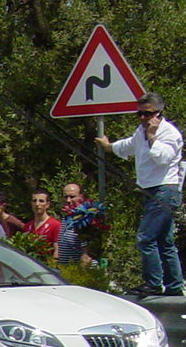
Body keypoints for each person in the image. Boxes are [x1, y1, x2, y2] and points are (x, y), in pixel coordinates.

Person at [96, 92, 184, 295]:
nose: (143, 118)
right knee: (164, 242)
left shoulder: (170, 134)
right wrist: (109, 147)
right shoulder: (140, 131)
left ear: (159, 113)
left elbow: (162, 158)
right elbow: (129, 145)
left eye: (148, 114)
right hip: (151, 190)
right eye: (139, 114)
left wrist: (152, 137)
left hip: (164, 190)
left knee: (145, 238)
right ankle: (174, 286)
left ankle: (153, 283)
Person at [56, 182, 88, 264]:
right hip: (64, 269)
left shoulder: (85, 220)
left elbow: (87, 255)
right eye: (65, 197)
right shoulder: (65, 219)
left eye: (72, 197)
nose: (68, 200)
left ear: (81, 197)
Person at [22, 190, 62, 255]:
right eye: (34, 201)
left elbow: (57, 250)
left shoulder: (55, 225)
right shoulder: (27, 226)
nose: (37, 204)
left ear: (47, 204)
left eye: (41, 201)